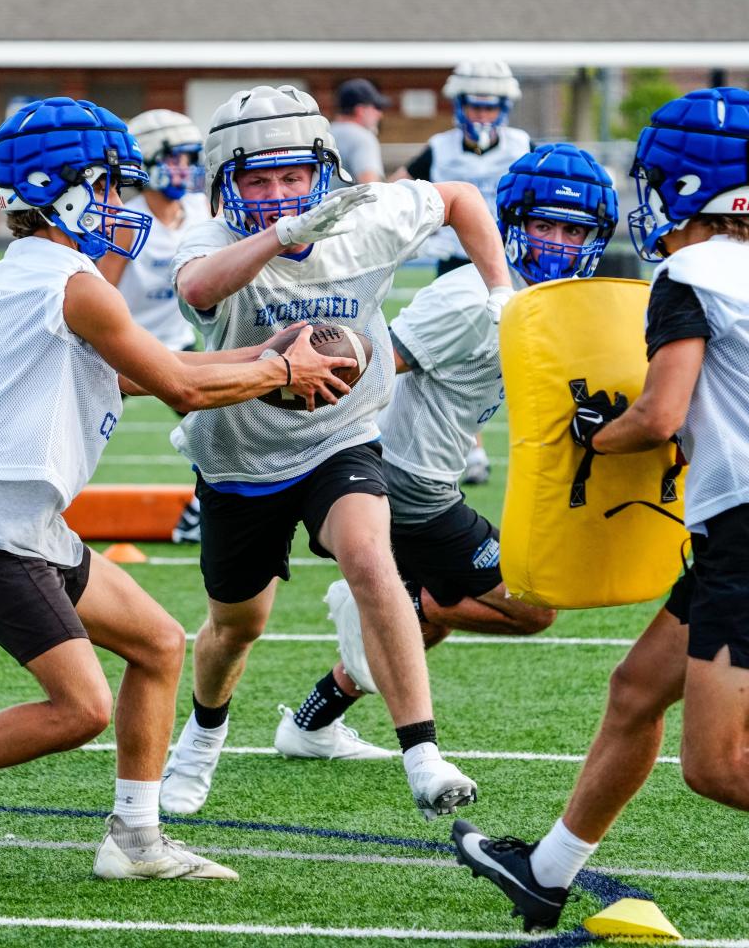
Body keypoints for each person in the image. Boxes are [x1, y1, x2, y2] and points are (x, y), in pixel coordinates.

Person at [0, 96, 355, 888]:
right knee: (78, 707)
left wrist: (259, 352)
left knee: (157, 644)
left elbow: (143, 371)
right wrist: (282, 371)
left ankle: (136, 837)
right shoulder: (72, 283)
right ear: (65, 189)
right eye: (110, 186)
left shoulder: (55, 275)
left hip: (25, 519)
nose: (122, 204)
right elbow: (182, 389)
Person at [159, 83, 514, 822]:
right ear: (226, 185)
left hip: (341, 437)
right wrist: (281, 235)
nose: (281, 192)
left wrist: (499, 289)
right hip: (239, 459)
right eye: (259, 179)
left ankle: (423, 752)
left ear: (322, 170)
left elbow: (458, 200)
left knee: (370, 557)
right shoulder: (213, 241)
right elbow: (196, 285)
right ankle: (200, 738)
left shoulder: (368, 216)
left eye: (294, 176)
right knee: (236, 626)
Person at [452, 86, 749, 933]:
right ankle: (545, 873)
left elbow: (658, 415)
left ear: (685, 186)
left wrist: (597, 435)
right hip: (735, 529)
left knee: (720, 766)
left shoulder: (688, 271)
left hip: (745, 532)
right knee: (633, 690)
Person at [275, 143, 619, 761]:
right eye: (544, 225)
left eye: (575, 230)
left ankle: (311, 723)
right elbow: (375, 369)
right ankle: (387, 599)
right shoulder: (468, 299)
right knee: (531, 609)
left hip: (428, 474)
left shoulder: (540, 300)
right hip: (407, 480)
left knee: (432, 623)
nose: (559, 243)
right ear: (513, 226)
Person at [393, 60, 530, 484]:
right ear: (459, 106)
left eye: (491, 108)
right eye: (475, 107)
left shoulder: (523, 144)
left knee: (505, 356)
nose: (482, 116)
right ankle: (469, 446)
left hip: (510, 265)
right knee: (452, 358)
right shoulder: (441, 147)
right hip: (455, 264)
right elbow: (397, 185)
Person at [99, 108, 210, 543]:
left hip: (177, 344)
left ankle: (201, 512)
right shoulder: (127, 221)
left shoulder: (200, 210)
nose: (184, 168)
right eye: (175, 158)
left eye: (189, 157)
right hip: (118, 351)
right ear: (145, 161)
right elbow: (100, 289)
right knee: (77, 432)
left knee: (221, 429)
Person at [329, 77, 390, 188]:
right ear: (360, 110)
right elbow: (371, 187)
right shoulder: (362, 138)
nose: (380, 114)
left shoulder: (325, 132)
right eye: (376, 107)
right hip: (345, 205)